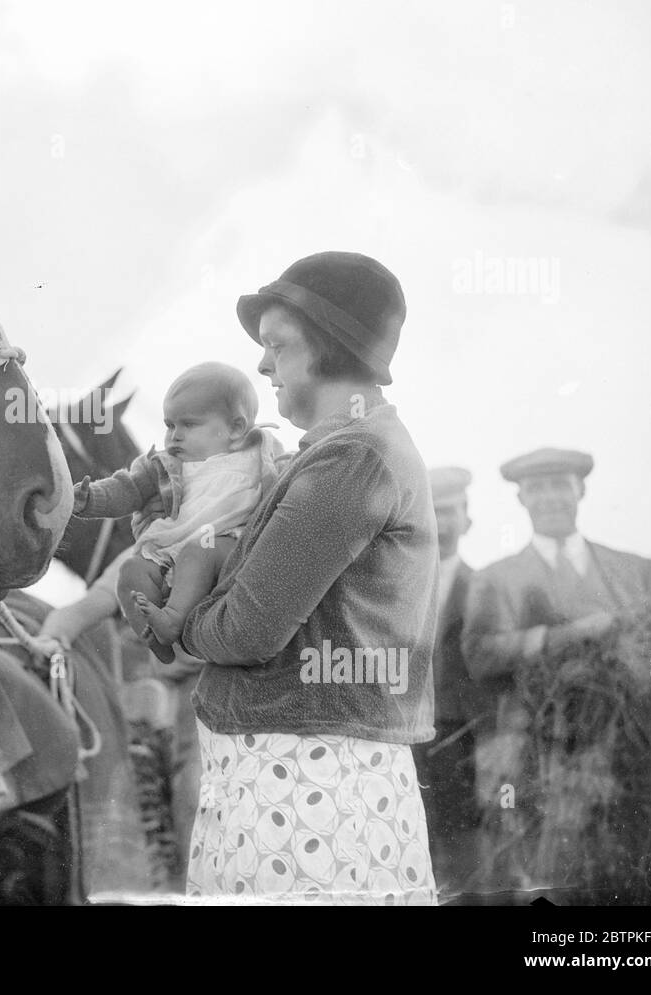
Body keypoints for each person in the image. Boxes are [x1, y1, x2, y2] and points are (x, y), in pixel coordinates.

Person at [173, 251, 439, 904]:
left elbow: (245, 631)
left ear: (333, 348)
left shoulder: (353, 458)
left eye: (277, 346)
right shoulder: (347, 450)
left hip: (307, 803)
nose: (262, 366)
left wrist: (182, 616)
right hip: (302, 790)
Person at [461, 447, 651, 894]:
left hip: (623, 753)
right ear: (521, 498)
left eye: (560, 485)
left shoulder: (634, 570)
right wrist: (564, 635)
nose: (550, 497)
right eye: (537, 488)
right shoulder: (497, 579)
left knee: (624, 870)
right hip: (534, 755)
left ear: (581, 490)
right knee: (543, 876)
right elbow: (480, 656)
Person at [70, 362, 286, 663]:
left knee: (200, 550)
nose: (175, 436)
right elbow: (127, 489)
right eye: (170, 425)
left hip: (231, 547)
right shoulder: (164, 466)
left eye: (189, 425)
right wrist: (90, 499)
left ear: (236, 428)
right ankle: (155, 637)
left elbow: (292, 481)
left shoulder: (260, 451)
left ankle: (171, 619)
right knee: (131, 571)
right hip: (174, 551)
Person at [38, 545, 204, 889]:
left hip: (212, 702)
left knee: (196, 792)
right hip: (161, 704)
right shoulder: (153, 549)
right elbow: (80, 612)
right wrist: (52, 637)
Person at [412, 466, 482, 897]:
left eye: (452, 511)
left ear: (468, 520)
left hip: (463, 738)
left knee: (462, 850)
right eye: (434, 512)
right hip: (404, 734)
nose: (444, 521)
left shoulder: (485, 587)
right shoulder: (397, 586)